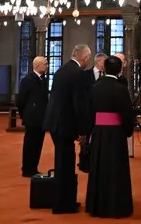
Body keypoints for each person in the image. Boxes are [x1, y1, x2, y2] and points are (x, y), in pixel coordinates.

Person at [43, 44, 92, 214]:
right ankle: (63, 204)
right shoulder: (77, 73)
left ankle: (66, 201)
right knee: (65, 165)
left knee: (64, 163)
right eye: (88, 58)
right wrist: (83, 130)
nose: (88, 61)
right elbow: (79, 104)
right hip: (64, 124)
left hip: (56, 122)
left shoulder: (62, 70)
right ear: (84, 58)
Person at [85, 55, 135, 218]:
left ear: (104, 69)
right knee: (116, 169)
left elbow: (90, 112)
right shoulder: (120, 88)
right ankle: (116, 206)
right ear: (120, 69)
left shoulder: (95, 87)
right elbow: (127, 114)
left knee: (99, 168)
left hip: (99, 133)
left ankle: (97, 205)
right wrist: (127, 131)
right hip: (115, 133)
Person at [18, 56, 49, 177]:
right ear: (37, 66)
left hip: (41, 118)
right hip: (31, 118)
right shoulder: (28, 80)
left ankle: (34, 167)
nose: (47, 66)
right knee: (30, 145)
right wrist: (24, 115)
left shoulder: (43, 80)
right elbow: (21, 100)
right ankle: (27, 169)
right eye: (45, 64)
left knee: (38, 145)